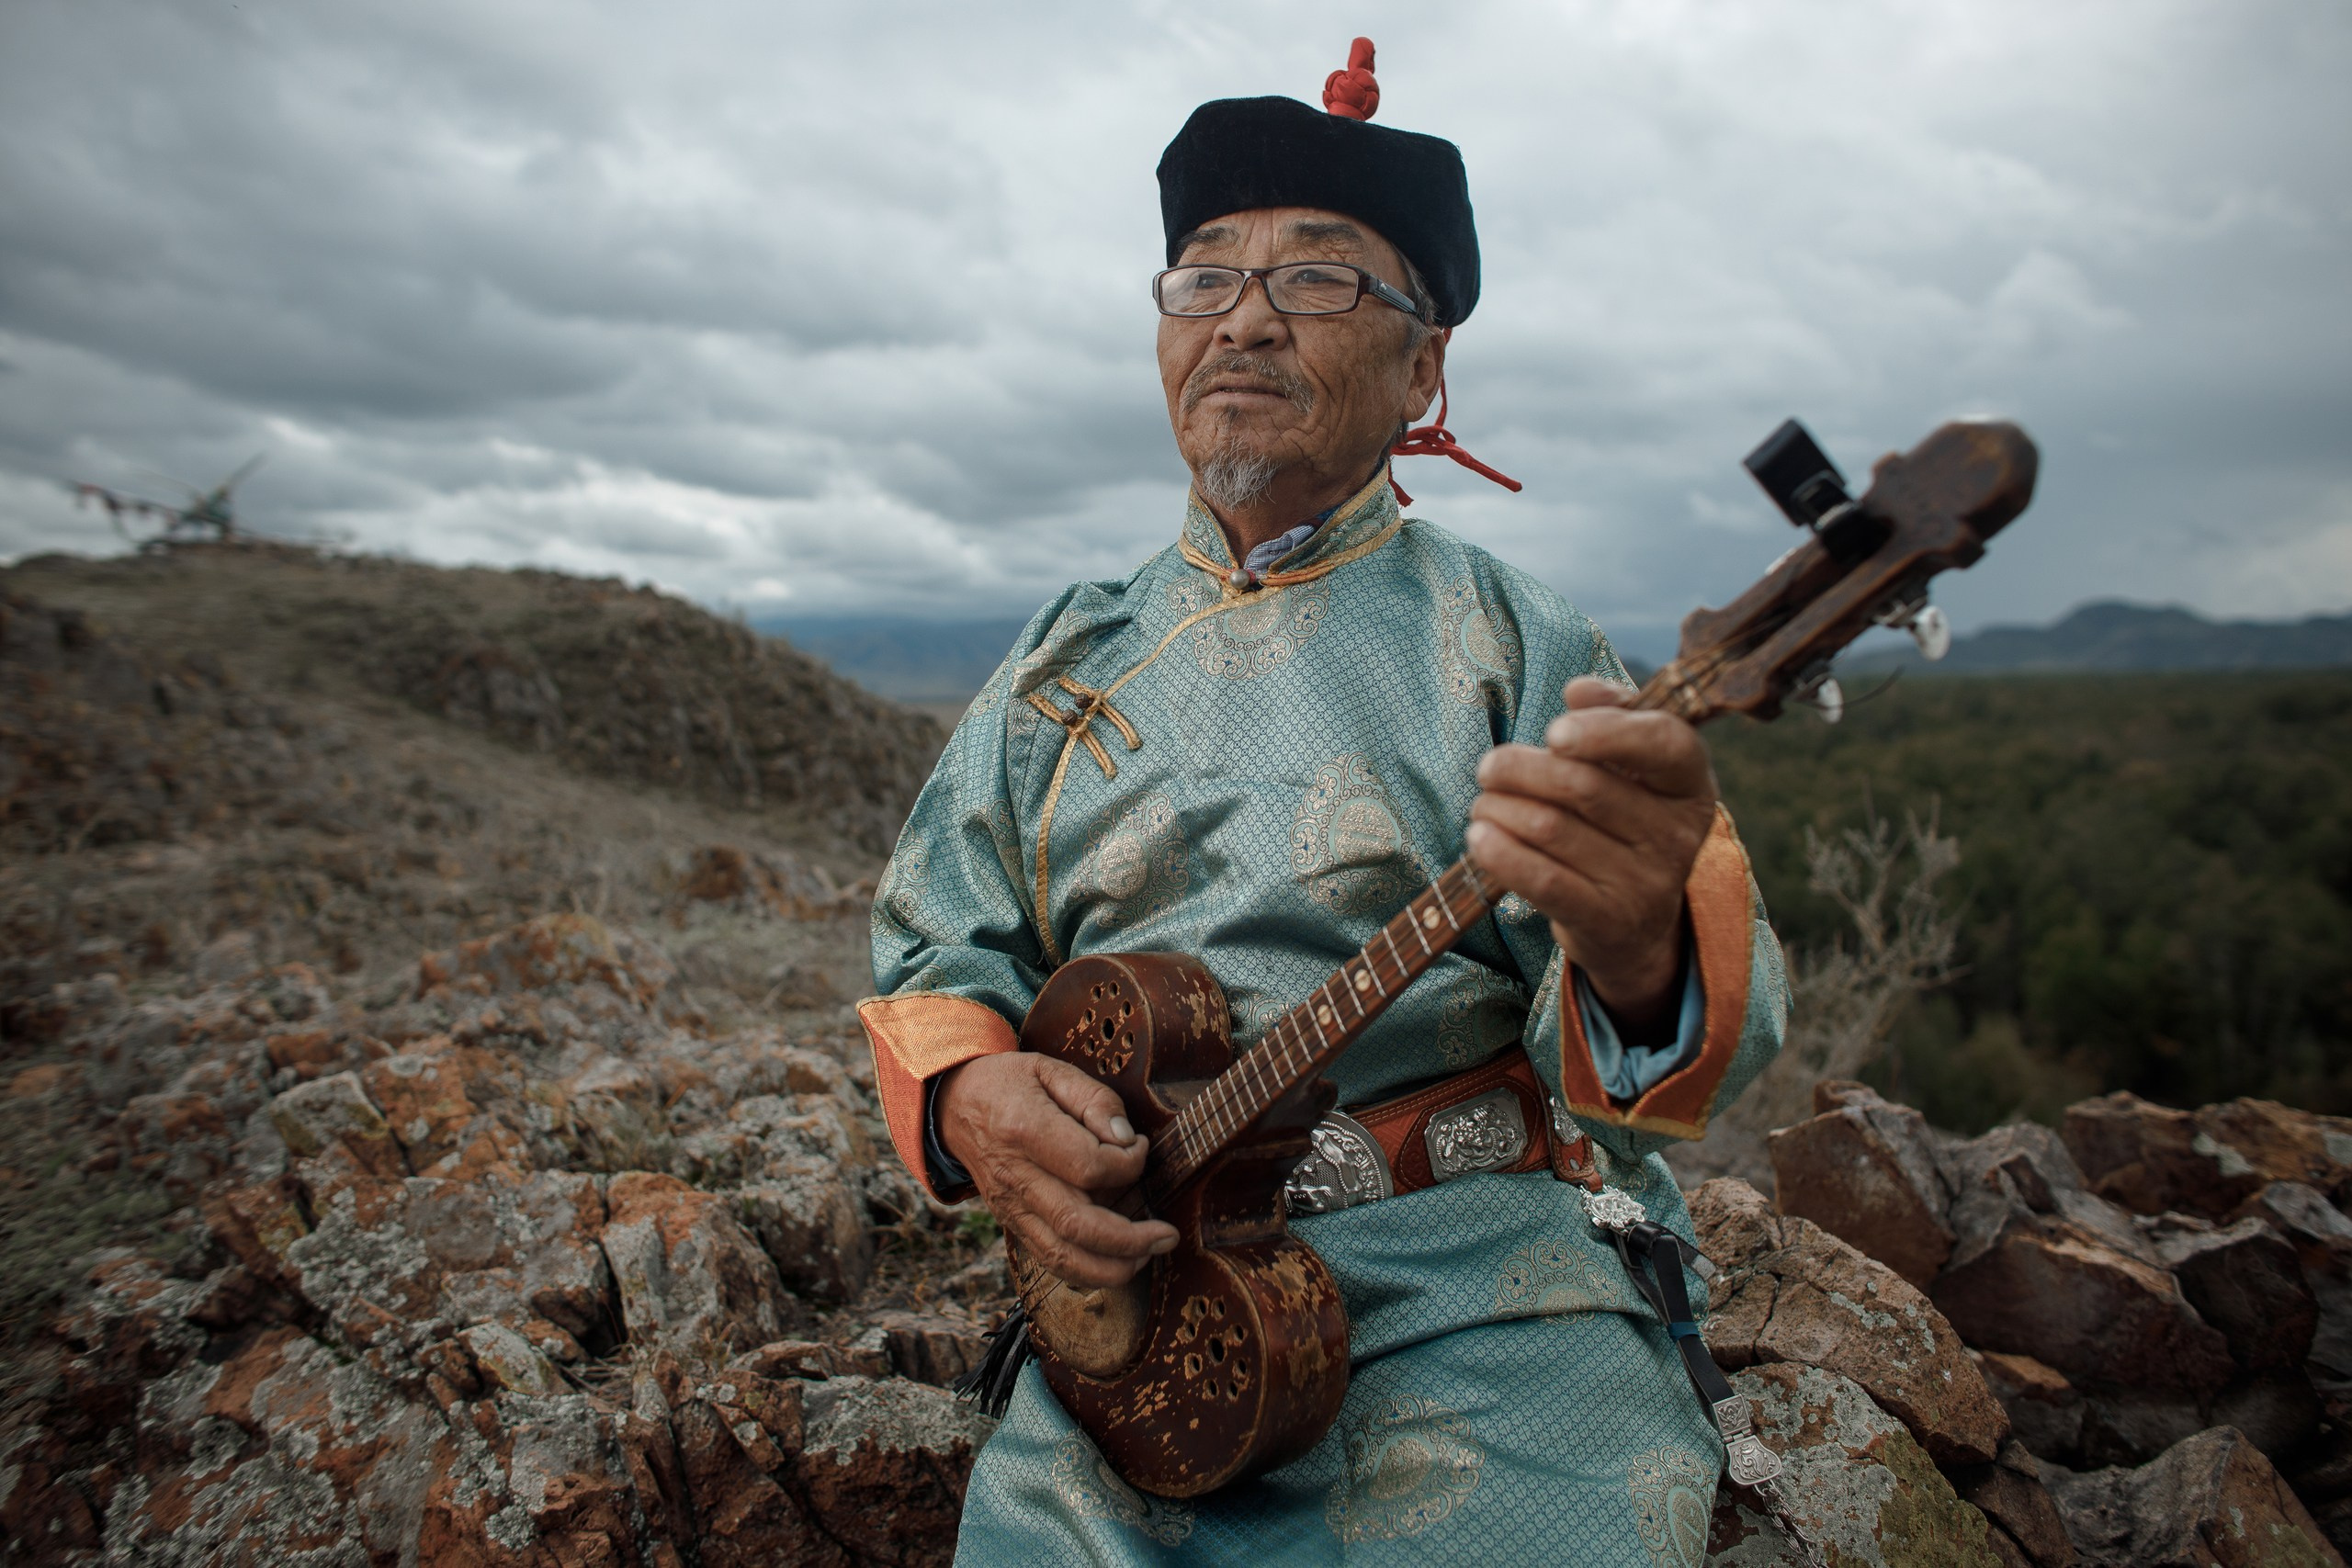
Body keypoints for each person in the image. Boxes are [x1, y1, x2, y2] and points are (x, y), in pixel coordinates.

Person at [858, 39, 1785, 1566]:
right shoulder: (1063, 658)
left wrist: (1634, 947)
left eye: (1322, 280)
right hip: (1136, 1327)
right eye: (1204, 277)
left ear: (1426, 372)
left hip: (1487, 1297)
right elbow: (932, 952)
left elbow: (1685, 1033)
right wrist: (974, 1102)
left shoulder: (1511, 639)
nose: (1244, 317)